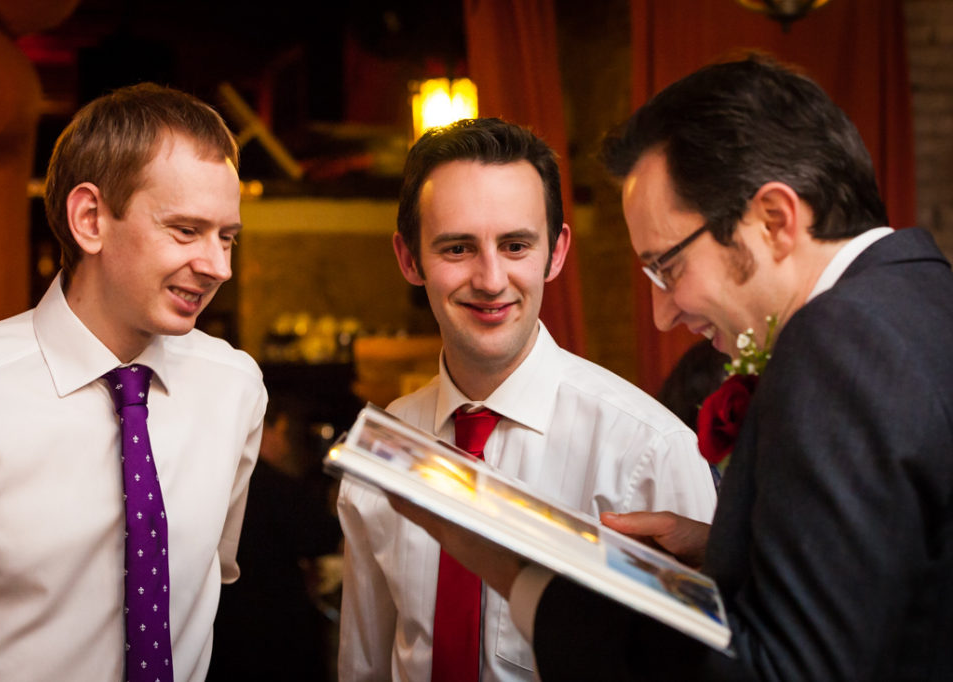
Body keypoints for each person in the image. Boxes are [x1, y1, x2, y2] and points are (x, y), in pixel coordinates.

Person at [396, 56, 953, 681]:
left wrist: (521, 579)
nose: (662, 314)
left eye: (667, 265)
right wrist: (723, 550)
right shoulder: (923, 300)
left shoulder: (840, 347)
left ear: (774, 221)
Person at [336, 117, 718, 681]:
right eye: (458, 247)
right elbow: (364, 663)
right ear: (409, 259)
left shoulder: (650, 452)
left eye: (515, 245)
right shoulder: (384, 448)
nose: (491, 279)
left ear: (555, 253)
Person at [0, 83, 268, 681]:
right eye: (186, 231)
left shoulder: (234, 387)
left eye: (227, 237)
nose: (220, 267)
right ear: (90, 220)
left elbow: (208, 576)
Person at [208, 398, 342, 682]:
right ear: (263, 431)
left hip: (221, 625)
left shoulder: (214, 481)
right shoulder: (278, 487)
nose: (287, 443)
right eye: (282, 432)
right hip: (276, 626)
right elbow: (324, 536)